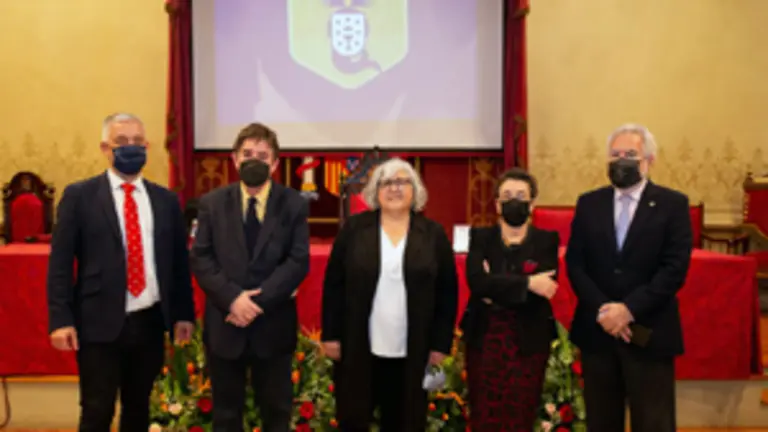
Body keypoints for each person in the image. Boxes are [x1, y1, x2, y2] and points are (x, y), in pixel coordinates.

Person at [47, 113, 196, 432]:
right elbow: (60, 264)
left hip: (150, 323)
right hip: (98, 324)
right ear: (105, 148)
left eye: (137, 142)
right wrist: (61, 319)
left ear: (147, 146)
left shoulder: (166, 200)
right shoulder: (79, 197)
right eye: (122, 142)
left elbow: (178, 264)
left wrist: (184, 314)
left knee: (139, 411)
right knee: (96, 411)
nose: (131, 148)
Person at [566, 123, 693, 432]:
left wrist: (629, 310)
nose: (621, 160)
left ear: (649, 160)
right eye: (615, 154)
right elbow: (575, 263)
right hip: (598, 334)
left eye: (630, 154)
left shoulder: (672, 205)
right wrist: (605, 310)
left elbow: (674, 268)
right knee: (601, 421)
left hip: (649, 333)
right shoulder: (589, 203)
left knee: (653, 422)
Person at [321, 158, 459, 432]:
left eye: (402, 181)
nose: (394, 188)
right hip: (359, 345)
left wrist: (440, 343)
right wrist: (331, 335)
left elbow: (447, 291)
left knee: (406, 421)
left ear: (415, 190)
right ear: (375, 190)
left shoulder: (433, 234)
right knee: (354, 417)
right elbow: (334, 284)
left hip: (413, 348)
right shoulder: (355, 229)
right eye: (387, 182)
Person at [190, 123, 309, 432]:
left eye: (262, 155)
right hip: (225, 326)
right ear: (234, 159)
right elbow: (201, 257)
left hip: (273, 324)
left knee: (276, 413)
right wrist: (232, 299)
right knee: (226, 416)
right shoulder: (212, 203)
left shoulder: (294, 203)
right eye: (247, 154)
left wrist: (255, 303)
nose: (253, 160)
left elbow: (297, 261)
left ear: (275, 163)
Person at [461, 168, 559, 431]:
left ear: (533, 203)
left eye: (520, 195)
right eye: (506, 195)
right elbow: (477, 283)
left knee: (521, 413)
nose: (513, 201)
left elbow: (546, 289)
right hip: (484, 337)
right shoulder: (480, 237)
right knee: (484, 413)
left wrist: (496, 283)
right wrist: (527, 283)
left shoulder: (546, 241)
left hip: (528, 338)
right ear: (496, 204)